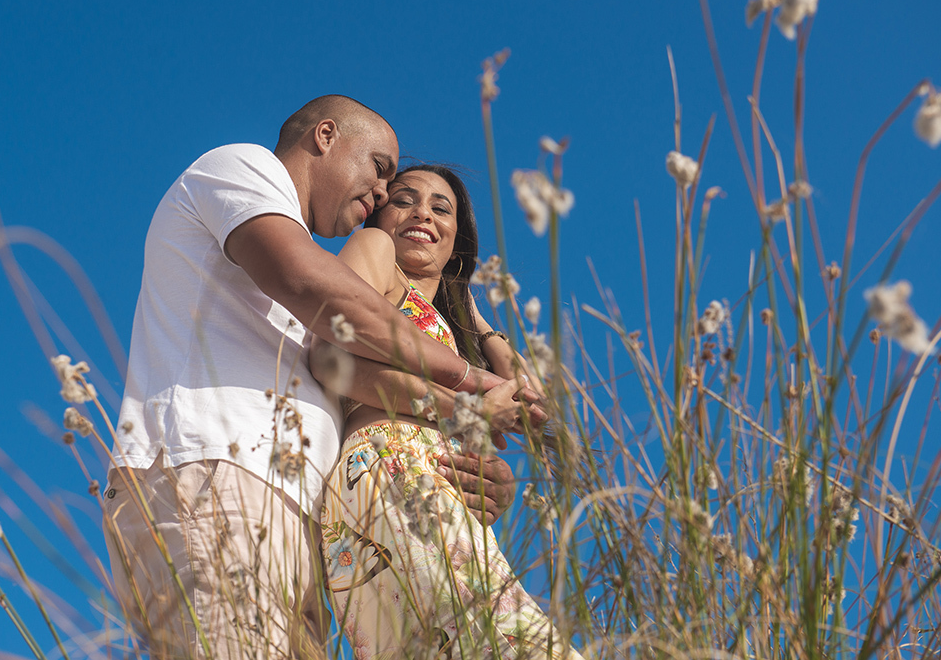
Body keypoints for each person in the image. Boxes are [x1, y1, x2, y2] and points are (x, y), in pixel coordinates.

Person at [101, 96, 546, 660]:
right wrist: (469, 385)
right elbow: (315, 289)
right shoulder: (242, 167)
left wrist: (474, 462)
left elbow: (341, 359)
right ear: (326, 137)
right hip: (217, 475)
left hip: (302, 520)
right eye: (381, 171)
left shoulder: (315, 267)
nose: (383, 196)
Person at [312, 165, 582, 660]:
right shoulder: (376, 253)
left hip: (419, 488)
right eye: (403, 200)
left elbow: (534, 398)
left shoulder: (445, 328)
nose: (422, 214)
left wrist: (472, 313)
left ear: (457, 241)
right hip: (391, 466)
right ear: (378, 215)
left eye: (442, 209)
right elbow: (331, 358)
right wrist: (464, 415)